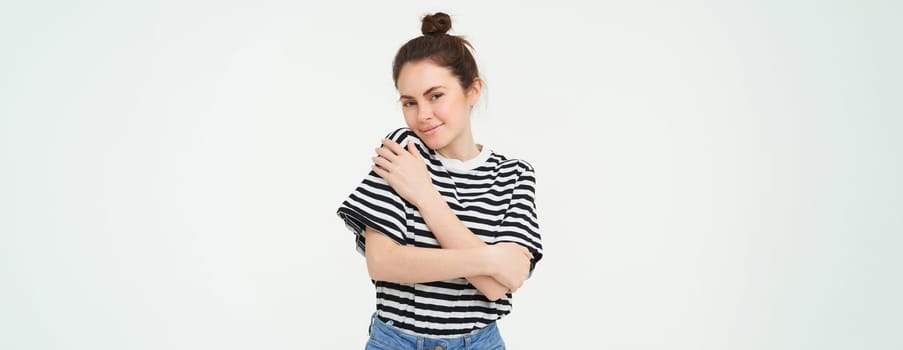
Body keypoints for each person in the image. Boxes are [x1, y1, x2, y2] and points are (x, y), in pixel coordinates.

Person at [336, 12, 543, 350]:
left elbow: (503, 284)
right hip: (397, 342)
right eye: (409, 102)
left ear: (472, 89)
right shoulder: (405, 150)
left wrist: (425, 195)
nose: (422, 115)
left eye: (436, 96)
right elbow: (383, 262)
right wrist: (489, 259)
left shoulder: (514, 173)